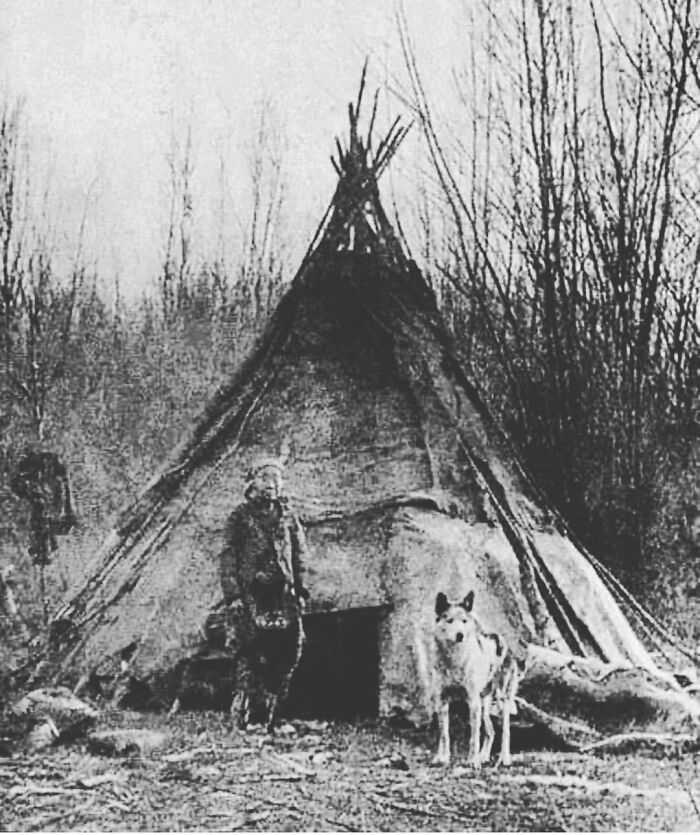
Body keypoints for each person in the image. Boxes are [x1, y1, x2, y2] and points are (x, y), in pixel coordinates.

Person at [219, 457, 309, 731]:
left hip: (283, 596)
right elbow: (227, 557)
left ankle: (272, 711)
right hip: (252, 596)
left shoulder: (288, 516)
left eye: (276, 478)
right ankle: (248, 713)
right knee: (251, 653)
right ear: (251, 484)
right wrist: (233, 596)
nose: (272, 484)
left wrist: (301, 589)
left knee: (289, 651)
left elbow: (299, 554)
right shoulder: (239, 517)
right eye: (265, 478)